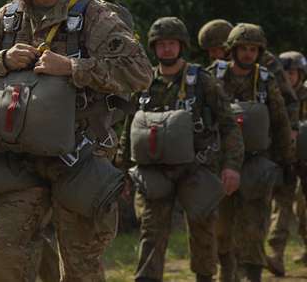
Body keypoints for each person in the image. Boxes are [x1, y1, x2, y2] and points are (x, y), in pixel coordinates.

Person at [0, 0, 152, 281]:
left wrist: (73, 68)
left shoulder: (94, 15)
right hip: (16, 158)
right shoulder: (7, 17)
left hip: (80, 156)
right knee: (2, 256)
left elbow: (139, 72)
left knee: (80, 267)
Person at [116, 17, 243, 282]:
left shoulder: (202, 81)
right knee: (151, 233)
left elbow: (229, 124)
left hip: (196, 168)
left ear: (181, 46)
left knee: (203, 230)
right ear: (154, 47)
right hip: (153, 171)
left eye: (171, 43)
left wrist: (231, 166)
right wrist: (123, 170)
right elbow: (129, 129)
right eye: (161, 44)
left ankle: (205, 278)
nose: (166, 49)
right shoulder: (145, 82)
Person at [208, 23, 293, 282]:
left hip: (257, 163)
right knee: (221, 228)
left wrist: (286, 162)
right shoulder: (213, 77)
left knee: (254, 228)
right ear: (232, 50)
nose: (247, 54)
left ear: (259, 51)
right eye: (243, 48)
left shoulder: (266, 81)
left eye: (253, 49)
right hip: (221, 163)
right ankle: (226, 270)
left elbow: (280, 123)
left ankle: (253, 275)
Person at [266, 51, 307, 275]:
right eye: (285, 73)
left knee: (303, 210)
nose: (289, 77)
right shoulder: (275, 97)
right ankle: (276, 256)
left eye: (293, 73)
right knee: (281, 207)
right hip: (287, 159)